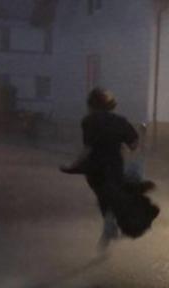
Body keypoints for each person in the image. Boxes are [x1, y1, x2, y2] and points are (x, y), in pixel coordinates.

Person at [60, 88, 142, 250]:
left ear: (92, 105)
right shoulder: (120, 121)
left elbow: (88, 149)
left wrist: (73, 165)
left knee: (103, 197)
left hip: (95, 169)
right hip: (114, 166)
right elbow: (134, 145)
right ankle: (113, 224)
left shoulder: (88, 121)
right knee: (114, 194)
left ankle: (109, 226)